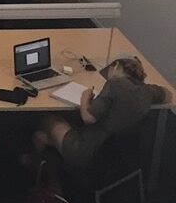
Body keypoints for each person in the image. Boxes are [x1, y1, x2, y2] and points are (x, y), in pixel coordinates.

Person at [25, 56, 169, 193]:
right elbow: (168, 94)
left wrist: (84, 98)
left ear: (116, 66)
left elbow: (88, 118)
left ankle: (48, 180)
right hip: (120, 156)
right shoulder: (148, 91)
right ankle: (48, 163)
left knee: (48, 121)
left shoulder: (114, 84)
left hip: (88, 151)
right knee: (42, 136)